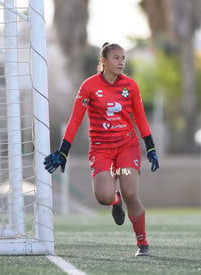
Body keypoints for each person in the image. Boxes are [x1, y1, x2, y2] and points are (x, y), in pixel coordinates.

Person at [44, 42, 159, 257]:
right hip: (101, 149)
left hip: (127, 146)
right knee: (104, 196)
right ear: (103, 61)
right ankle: (116, 202)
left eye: (123, 58)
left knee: (131, 192)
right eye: (116, 58)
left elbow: (140, 119)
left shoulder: (131, 86)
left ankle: (142, 244)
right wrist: (63, 151)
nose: (121, 62)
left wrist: (150, 147)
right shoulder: (89, 86)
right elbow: (75, 120)